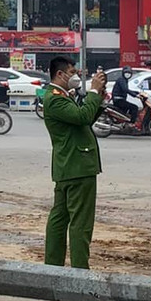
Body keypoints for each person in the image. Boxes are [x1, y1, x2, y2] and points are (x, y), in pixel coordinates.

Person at [42, 56, 106, 268]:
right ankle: (79, 270)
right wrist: (94, 92)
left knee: (60, 219)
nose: (76, 76)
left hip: (67, 167)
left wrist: (99, 98)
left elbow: (82, 120)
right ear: (60, 74)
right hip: (77, 166)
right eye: (72, 72)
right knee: (81, 223)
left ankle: (53, 267)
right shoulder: (55, 98)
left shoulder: (59, 95)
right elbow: (82, 118)